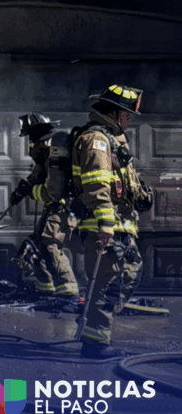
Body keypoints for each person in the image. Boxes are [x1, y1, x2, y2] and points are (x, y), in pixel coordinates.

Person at [72, 84, 152, 358]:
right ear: (115, 113)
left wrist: (141, 195)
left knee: (128, 276)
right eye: (127, 114)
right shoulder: (97, 140)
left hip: (121, 226)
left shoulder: (114, 140)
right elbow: (96, 184)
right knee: (109, 283)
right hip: (104, 227)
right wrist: (106, 223)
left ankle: (93, 325)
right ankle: (96, 342)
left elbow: (122, 181)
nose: (130, 120)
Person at [10, 112, 81, 313]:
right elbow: (37, 175)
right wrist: (21, 190)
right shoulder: (46, 154)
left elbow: (52, 191)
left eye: (31, 138)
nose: (31, 144)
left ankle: (69, 295)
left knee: (51, 246)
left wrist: (30, 192)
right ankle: (48, 291)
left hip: (62, 207)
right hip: (54, 208)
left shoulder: (54, 153)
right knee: (39, 245)